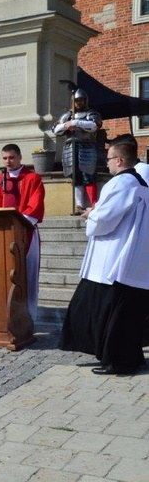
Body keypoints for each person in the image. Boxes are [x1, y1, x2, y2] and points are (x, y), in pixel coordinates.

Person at [59, 139, 149, 375]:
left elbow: (105, 220)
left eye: (108, 158)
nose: (105, 163)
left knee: (114, 315)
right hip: (125, 258)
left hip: (113, 258)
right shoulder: (137, 182)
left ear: (119, 160)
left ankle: (119, 362)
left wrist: (91, 215)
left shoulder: (121, 182)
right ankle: (129, 358)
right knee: (124, 315)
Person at [0, 143, 45, 321]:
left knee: (28, 277)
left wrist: (19, 223)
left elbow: (36, 205)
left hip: (27, 234)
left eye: (11, 158)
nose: (7, 162)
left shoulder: (33, 178)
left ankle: (29, 318)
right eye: (4, 158)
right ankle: (5, 316)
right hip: (2, 236)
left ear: (19, 157)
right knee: (5, 275)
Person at [53, 88, 102, 212]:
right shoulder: (67, 115)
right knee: (76, 177)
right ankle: (80, 205)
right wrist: (66, 125)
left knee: (89, 175)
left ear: (85, 101)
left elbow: (94, 125)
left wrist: (76, 123)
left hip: (87, 146)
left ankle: (94, 204)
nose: (79, 103)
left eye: (81, 100)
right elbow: (55, 129)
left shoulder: (91, 113)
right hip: (71, 147)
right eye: (77, 100)